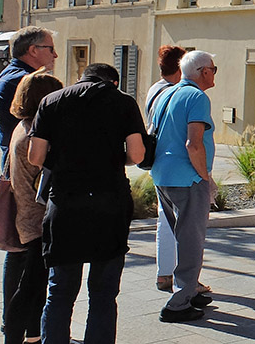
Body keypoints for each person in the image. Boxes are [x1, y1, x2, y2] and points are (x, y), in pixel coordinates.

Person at [29, 63, 146, 343]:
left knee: (60, 291)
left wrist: (63, 162)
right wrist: (117, 159)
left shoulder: (51, 101)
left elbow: (35, 156)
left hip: (66, 202)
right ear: (113, 82)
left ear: (81, 77)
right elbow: (138, 154)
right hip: (110, 203)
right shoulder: (124, 103)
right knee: (104, 294)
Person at [151, 50, 219, 323]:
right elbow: (194, 143)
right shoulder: (197, 97)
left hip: (163, 174)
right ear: (204, 71)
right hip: (187, 178)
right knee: (192, 240)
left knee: (182, 237)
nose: (214, 73)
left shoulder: (166, 93)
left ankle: (187, 290)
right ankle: (179, 303)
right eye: (214, 68)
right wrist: (205, 177)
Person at [2, 70, 62, 344]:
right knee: (32, 289)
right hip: (36, 219)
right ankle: (23, 337)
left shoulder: (22, 126)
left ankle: (29, 336)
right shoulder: (35, 135)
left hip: (25, 214)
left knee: (28, 285)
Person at [145, 45, 185, 292]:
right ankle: (182, 275)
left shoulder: (154, 89)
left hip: (158, 161)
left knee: (165, 218)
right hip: (174, 162)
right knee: (182, 223)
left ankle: (164, 273)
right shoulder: (175, 93)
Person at [0, 26, 56, 164]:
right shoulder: (28, 82)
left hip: (15, 157)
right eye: (51, 49)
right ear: (33, 50)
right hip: (28, 162)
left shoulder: (7, 75)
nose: (55, 55)